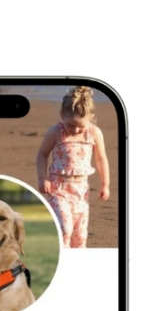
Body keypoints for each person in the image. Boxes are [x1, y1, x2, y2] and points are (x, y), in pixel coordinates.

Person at [35, 85, 111, 248]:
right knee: (64, 228)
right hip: (58, 188)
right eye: (70, 125)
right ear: (62, 115)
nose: (75, 130)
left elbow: (100, 158)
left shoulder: (94, 133)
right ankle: (62, 257)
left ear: (91, 118)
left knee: (80, 235)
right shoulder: (55, 132)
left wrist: (105, 184)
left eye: (81, 126)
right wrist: (43, 178)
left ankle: (75, 261)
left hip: (81, 190)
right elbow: (42, 154)